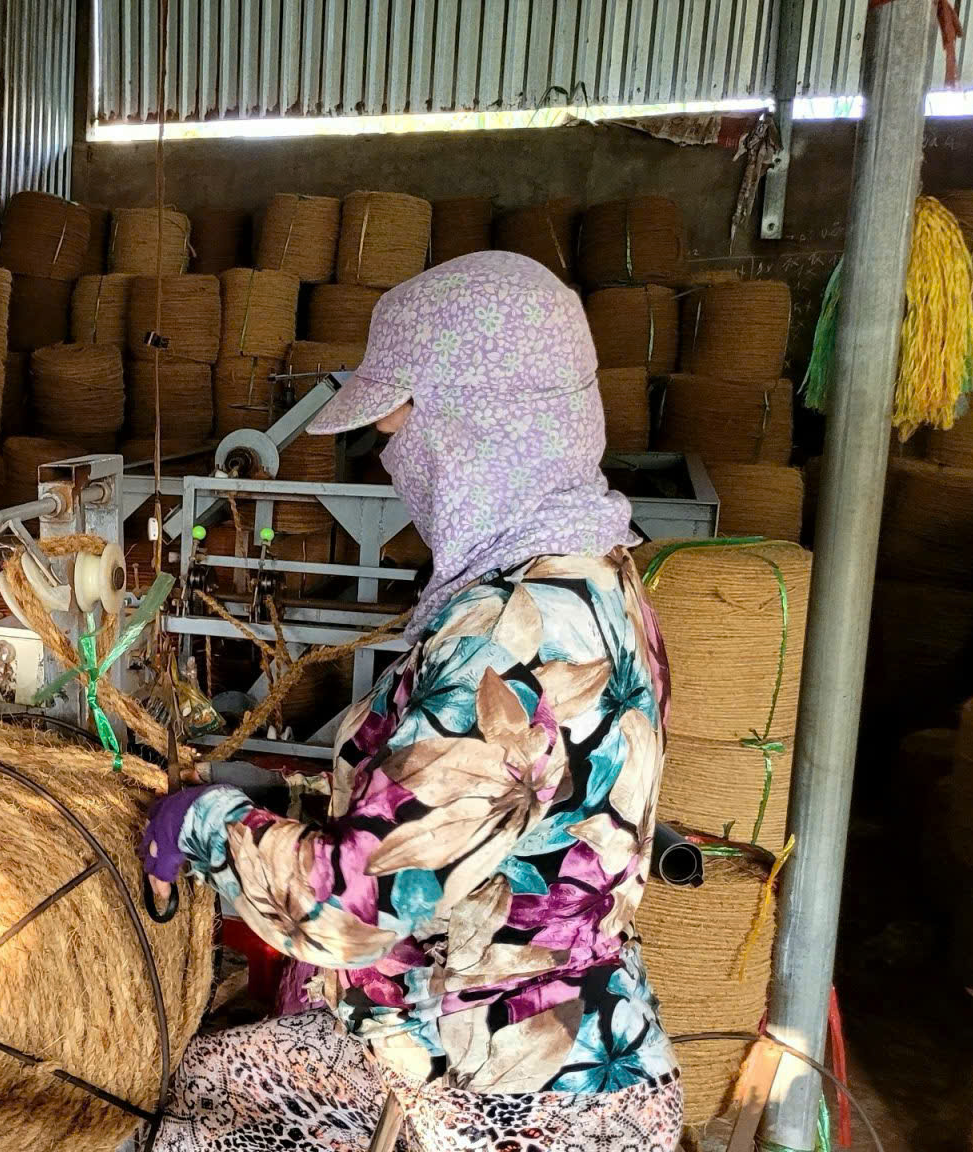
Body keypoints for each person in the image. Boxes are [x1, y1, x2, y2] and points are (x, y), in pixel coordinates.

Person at [142, 252, 682, 1151]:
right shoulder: (595, 572)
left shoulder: (513, 632)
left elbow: (355, 906)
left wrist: (207, 823)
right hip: (557, 1035)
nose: (394, 467)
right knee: (215, 1080)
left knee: (194, 1109)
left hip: (506, 1090)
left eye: (401, 432)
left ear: (478, 427)